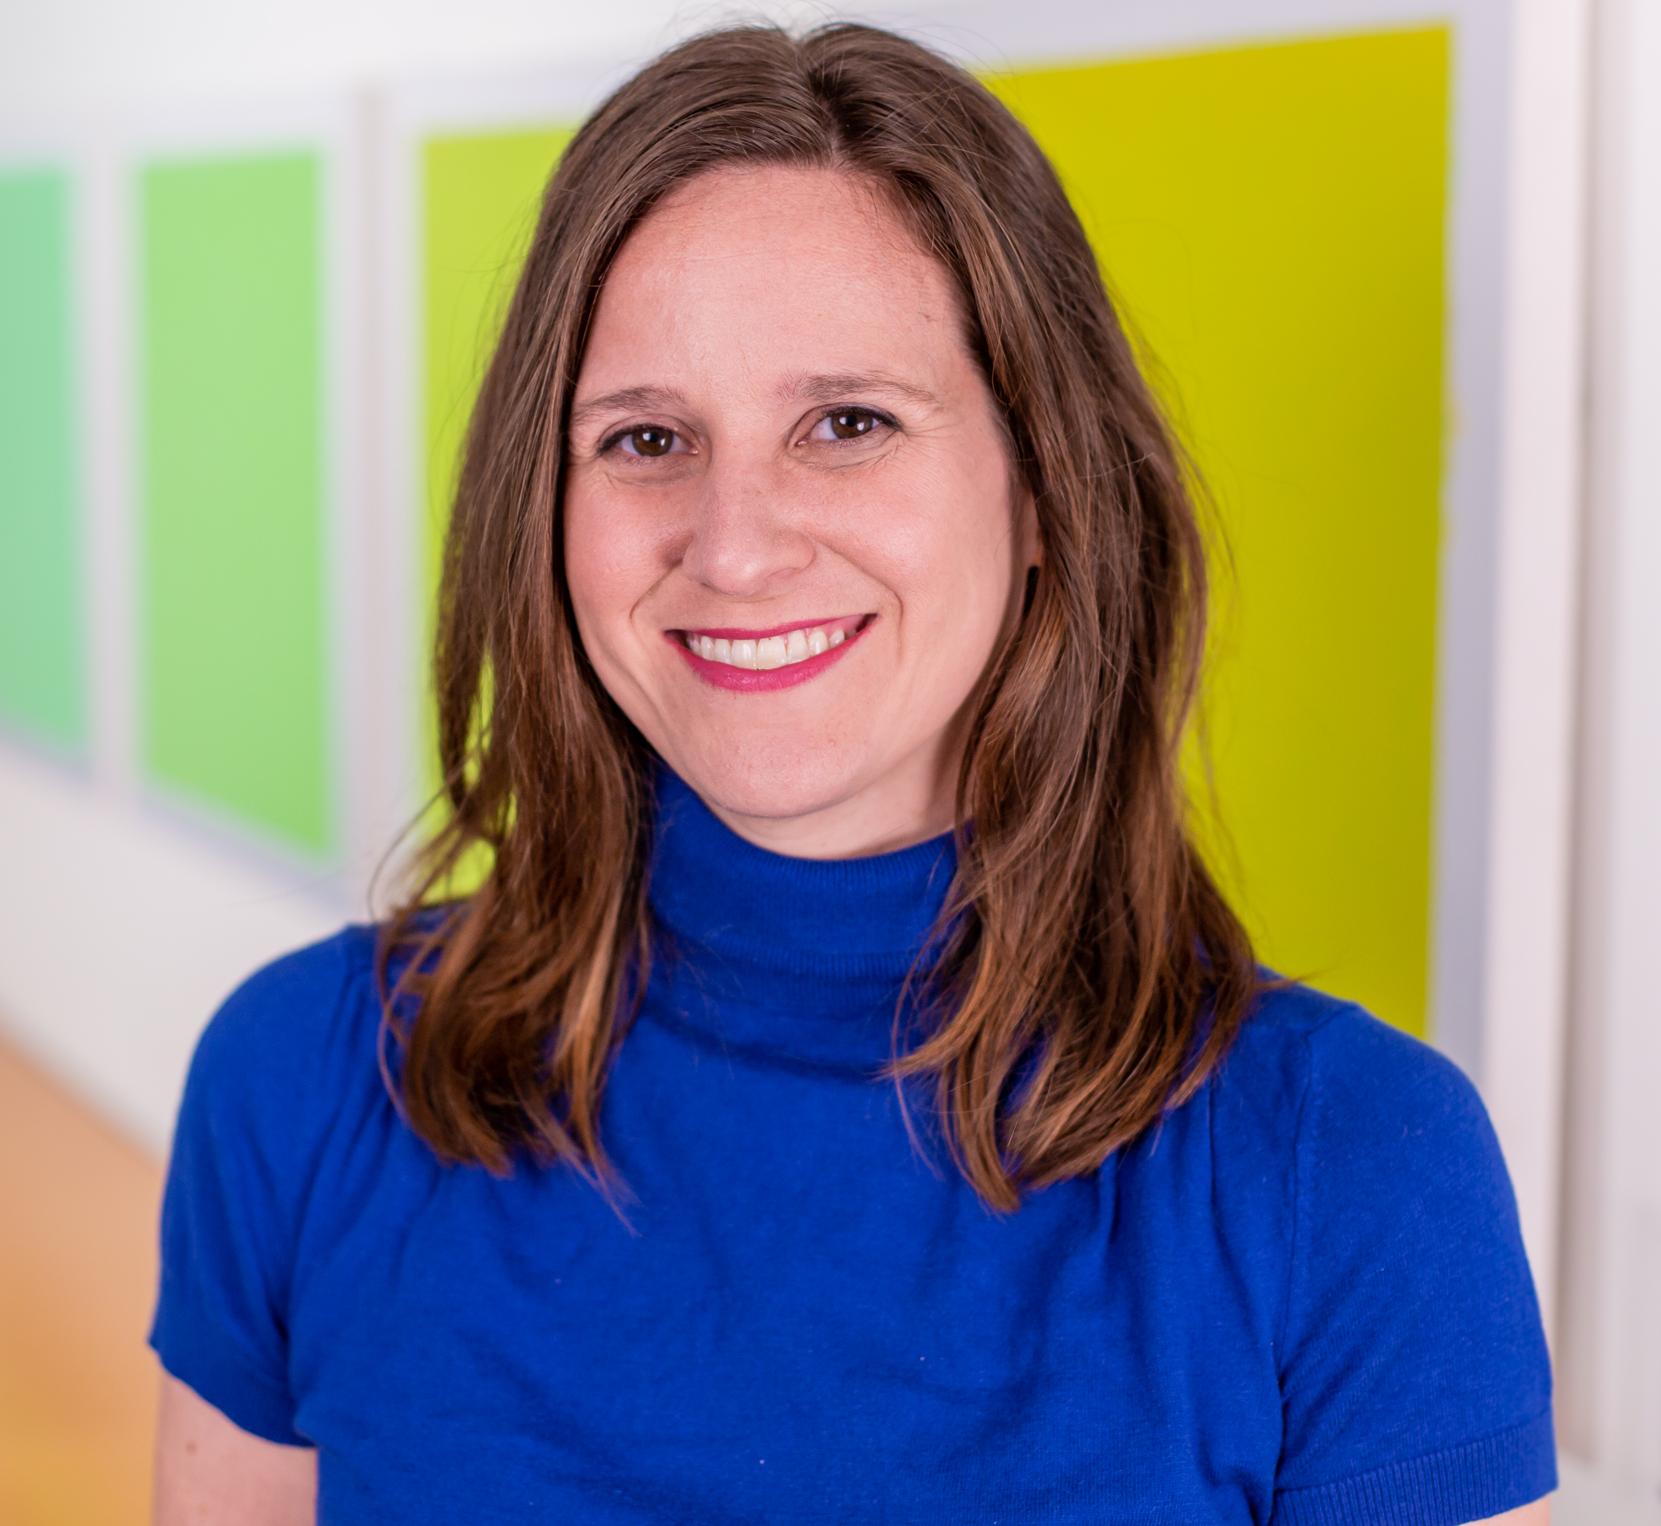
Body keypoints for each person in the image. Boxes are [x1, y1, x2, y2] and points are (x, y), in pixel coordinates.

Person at [148, 20, 1556, 1524]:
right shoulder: (300, 1082)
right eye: (645, 438)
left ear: (1044, 488)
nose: (735, 545)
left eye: (848, 422)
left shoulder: (1353, 1171)